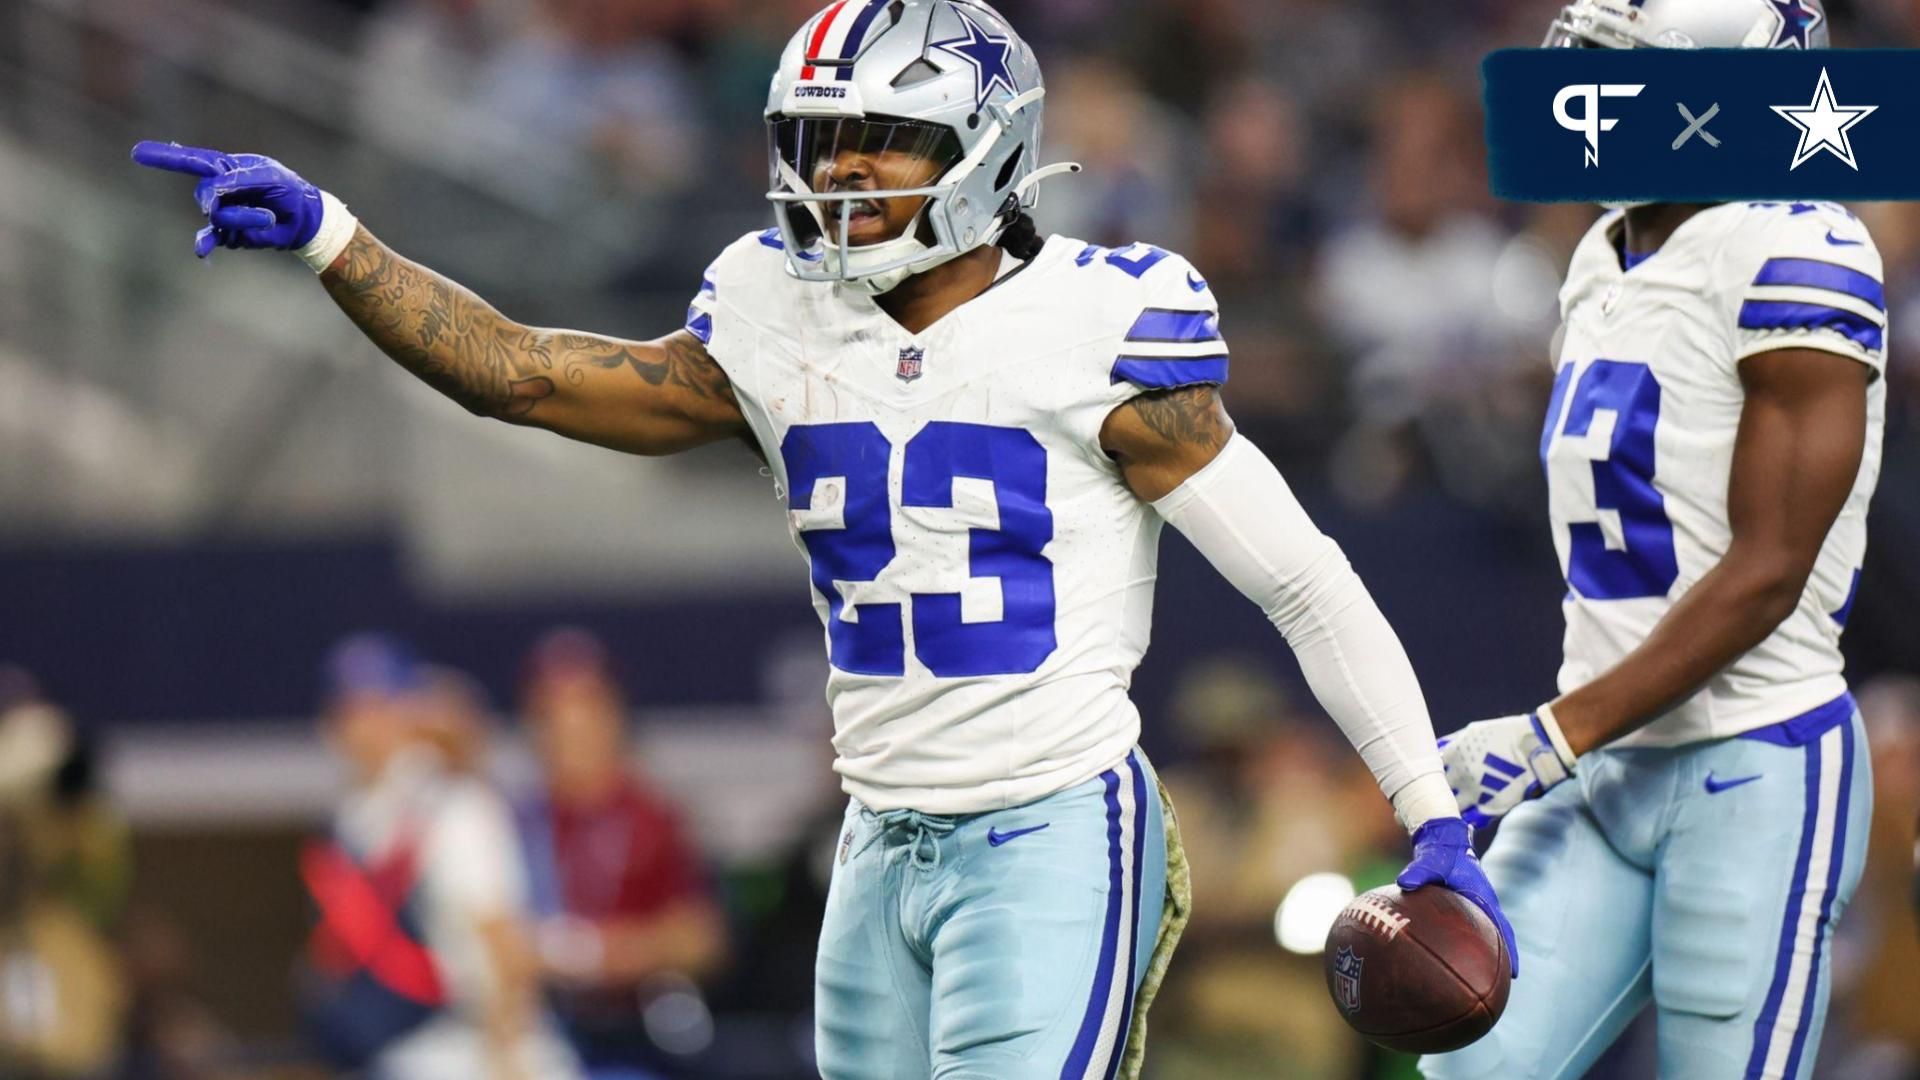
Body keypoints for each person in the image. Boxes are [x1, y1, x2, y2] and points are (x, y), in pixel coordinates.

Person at [130, 3, 1509, 1075]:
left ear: (988, 149)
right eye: (817, 138)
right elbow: (523, 372)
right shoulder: (774, 311)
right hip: (878, 834)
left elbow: (1304, 582)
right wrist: (334, 240)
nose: (836, 172)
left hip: (1049, 828)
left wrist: (1428, 813)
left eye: (881, 141)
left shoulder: (1098, 323)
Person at [1424, 2, 1886, 1078]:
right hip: (1602, 762)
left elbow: (1769, 571)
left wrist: (1551, 734)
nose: (1584, 108)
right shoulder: (1600, 253)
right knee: (1471, 1066)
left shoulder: (1798, 245)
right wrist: (1573, 736)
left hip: (1752, 759)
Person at [307, 633, 580, 1080]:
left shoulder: (454, 806)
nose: (367, 726)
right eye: (353, 710)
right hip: (399, 1053)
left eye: (382, 706)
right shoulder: (353, 819)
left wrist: (510, 1060)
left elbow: (503, 944)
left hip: (472, 1051)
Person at [515, 628, 725, 1073]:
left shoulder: (654, 818)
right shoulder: (519, 820)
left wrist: (603, 954)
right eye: (554, 712)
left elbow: (702, 939)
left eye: (585, 708)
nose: (571, 727)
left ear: (612, 715)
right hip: (539, 1031)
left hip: (628, 1034)